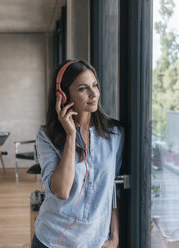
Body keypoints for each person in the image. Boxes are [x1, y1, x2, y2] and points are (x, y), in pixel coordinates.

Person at [32, 60, 124, 248]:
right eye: (83, 89)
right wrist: (71, 136)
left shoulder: (114, 134)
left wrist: (114, 236)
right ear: (63, 96)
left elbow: (114, 188)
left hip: (96, 241)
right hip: (53, 240)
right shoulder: (46, 136)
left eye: (95, 86)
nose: (93, 94)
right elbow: (62, 190)